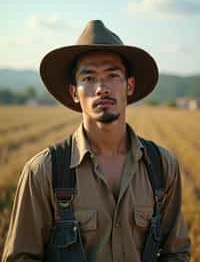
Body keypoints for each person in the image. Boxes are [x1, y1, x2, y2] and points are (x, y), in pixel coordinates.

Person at [2, 20, 190, 262]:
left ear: (129, 85)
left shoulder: (162, 166)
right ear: (74, 93)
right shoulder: (43, 172)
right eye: (89, 78)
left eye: (112, 75)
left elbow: (176, 252)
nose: (102, 88)